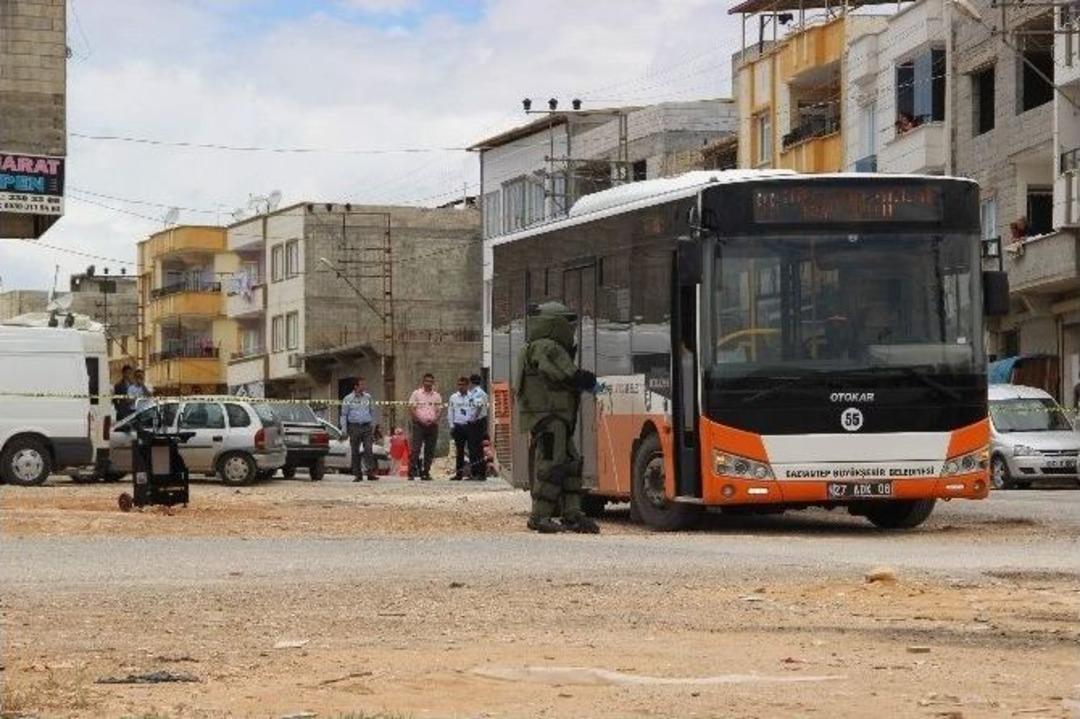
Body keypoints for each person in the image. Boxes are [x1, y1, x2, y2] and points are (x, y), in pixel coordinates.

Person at [515, 301, 601, 534]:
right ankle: (539, 516)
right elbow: (565, 373)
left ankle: (572, 514)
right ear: (555, 325)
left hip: (552, 415)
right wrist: (590, 382)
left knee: (570, 462)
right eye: (568, 323)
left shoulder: (535, 345)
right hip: (549, 415)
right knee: (551, 463)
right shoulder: (547, 347)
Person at [340, 377, 378, 482]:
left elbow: (372, 411)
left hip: (366, 426)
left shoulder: (368, 397)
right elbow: (344, 415)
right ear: (356, 386)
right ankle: (357, 474)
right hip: (354, 427)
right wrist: (344, 429)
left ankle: (370, 472)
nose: (364, 387)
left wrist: (373, 425)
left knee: (368, 449)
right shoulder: (348, 399)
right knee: (355, 451)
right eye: (361, 385)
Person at [407, 373, 442, 481]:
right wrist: (419, 420)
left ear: (433, 383)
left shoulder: (436, 396)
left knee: (430, 450)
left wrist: (434, 420)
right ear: (423, 382)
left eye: (431, 381)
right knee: (416, 449)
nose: (429, 383)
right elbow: (411, 408)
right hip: (419, 425)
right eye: (427, 381)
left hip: (432, 425)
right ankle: (412, 472)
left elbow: (439, 410)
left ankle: (425, 472)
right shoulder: (416, 394)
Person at [447, 376, 476, 480]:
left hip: (469, 426)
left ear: (467, 385)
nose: (461, 387)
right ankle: (459, 474)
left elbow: (475, 410)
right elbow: (450, 412)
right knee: (459, 451)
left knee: (472, 450)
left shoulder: (472, 396)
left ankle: (473, 473)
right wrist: (451, 425)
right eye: (459, 384)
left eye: (463, 385)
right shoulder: (453, 397)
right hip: (458, 426)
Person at [467, 374, 489, 480]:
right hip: (476, 422)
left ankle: (479, 473)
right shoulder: (474, 392)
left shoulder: (478, 393)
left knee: (476, 448)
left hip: (477, 422)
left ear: (471, 382)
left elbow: (479, 406)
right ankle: (475, 472)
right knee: (473, 448)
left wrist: (474, 418)